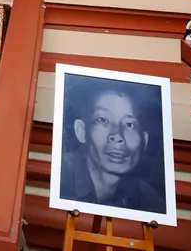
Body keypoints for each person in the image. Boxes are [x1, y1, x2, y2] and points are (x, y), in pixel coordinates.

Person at [59, 77, 164, 214]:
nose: (117, 135)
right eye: (103, 120)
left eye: (129, 124)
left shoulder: (148, 199)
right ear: (82, 131)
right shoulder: (62, 178)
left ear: (144, 140)